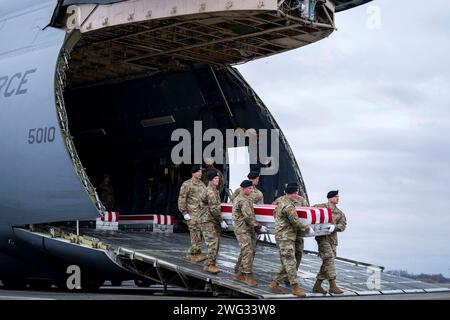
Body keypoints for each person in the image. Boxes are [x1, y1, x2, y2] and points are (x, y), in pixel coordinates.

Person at [268, 184, 314, 297]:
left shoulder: (281, 203)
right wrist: (307, 228)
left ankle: (275, 283)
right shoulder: (288, 206)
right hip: (285, 237)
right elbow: (295, 222)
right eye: (295, 193)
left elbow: (274, 214)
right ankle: (294, 287)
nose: (297, 195)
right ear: (291, 193)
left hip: (286, 235)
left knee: (289, 261)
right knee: (290, 261)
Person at [232, 180, 267, 286]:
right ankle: (247, 276)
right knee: (248, 251)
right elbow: (248, 217)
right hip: (242, 228)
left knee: (251, 250)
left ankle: (240, 273)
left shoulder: (248, 198)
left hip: (248, 228)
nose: (252, 190)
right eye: (249, 188)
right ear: (243, 189)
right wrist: (259, 226)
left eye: (252, 188)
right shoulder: (243, 200)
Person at [312, 190, 347, 294]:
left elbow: (343, 226)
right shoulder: (319, 207)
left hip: (333, 240)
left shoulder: (340, 213)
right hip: (322, 238)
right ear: (330, 198)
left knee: (327, 262)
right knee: (329, 259)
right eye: (336, 196)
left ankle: (317, 285)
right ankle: (333, 285)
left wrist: (334, 227)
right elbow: (309, 213)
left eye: (338, 196)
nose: (338, 198)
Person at [178, 165, 208, 263]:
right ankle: (192, 254)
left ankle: (196, 253)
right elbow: (182, 198)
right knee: (194, 234)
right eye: (198, 172)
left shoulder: (202, 184)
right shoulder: (187, 184)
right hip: (192, 213)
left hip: (201, 214)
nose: (200, 173)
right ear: (193, 173)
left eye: (201, 172)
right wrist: (184, 212)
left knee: (200, 235)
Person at [201, 171, 229, 274]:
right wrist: (221, 220)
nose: (218, 180)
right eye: (216, 179)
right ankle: (210, 265)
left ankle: (208, 265)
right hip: (207, 220)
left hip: (212, 220)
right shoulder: (210, 192)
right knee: (213, 243)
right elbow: (214, 208)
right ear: (211, 180)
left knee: (216, 242)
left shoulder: (215, 190)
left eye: (218, 178)